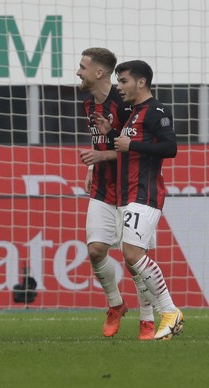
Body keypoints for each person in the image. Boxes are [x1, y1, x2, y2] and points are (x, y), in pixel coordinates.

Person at [77, 48, 157, 340]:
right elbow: (103, 143)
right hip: (101, 187)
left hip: (130, 188)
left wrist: (102, 157)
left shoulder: (125, 103)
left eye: (83, 67)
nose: (78, 72)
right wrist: (93, 166)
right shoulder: (88, 104)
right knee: (96, 250)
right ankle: (116, 304)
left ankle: (147, 320)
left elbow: (131, 151)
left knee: (135, 258)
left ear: (99, 72)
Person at [110, 60, 182, 340]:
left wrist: (132, 145)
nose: (120, 86)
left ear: (141, 82)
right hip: (128, 195)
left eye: (124, 80)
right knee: (133, 260)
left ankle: (170, 311)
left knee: (132, 255)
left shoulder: (156, 111)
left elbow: (171, 146)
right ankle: (164, 314)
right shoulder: (133, 114)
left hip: (146, 193)